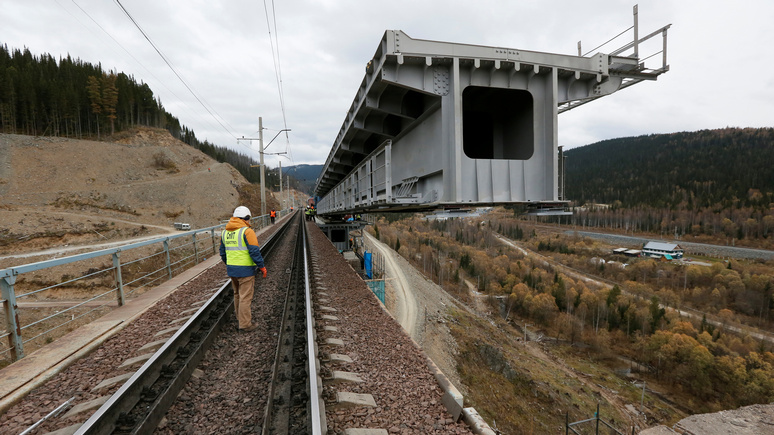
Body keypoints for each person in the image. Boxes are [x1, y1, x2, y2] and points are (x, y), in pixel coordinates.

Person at [219, 206, 267, 332]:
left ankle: (240, 319)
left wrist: (230, 264)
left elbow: (222, 253)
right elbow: (254, 251)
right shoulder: (247, 231)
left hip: (232, 270)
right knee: (245, 297)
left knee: (237, 295)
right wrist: (261, 266)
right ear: (246, 218)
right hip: (245, 270)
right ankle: (245, 325)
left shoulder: (225, 232)